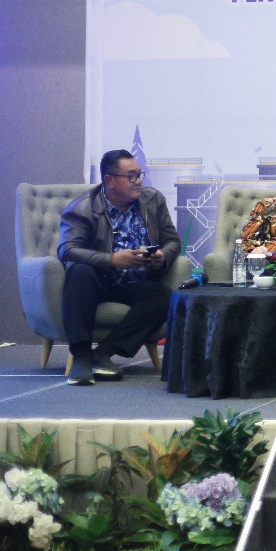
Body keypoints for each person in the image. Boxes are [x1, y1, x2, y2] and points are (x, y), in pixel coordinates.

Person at [58, 149, 182, 386]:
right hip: (97, 279)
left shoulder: (153, 200)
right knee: (79, 272)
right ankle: (81, 357)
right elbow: (67, 250)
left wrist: (161, 257)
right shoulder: (82, 207)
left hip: (134, 281)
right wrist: (112, 260)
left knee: (164, 296)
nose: (138, 181)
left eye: (139, 174)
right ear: (110, 180)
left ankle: (103, 353)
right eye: (131, 176)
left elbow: (172, 241)